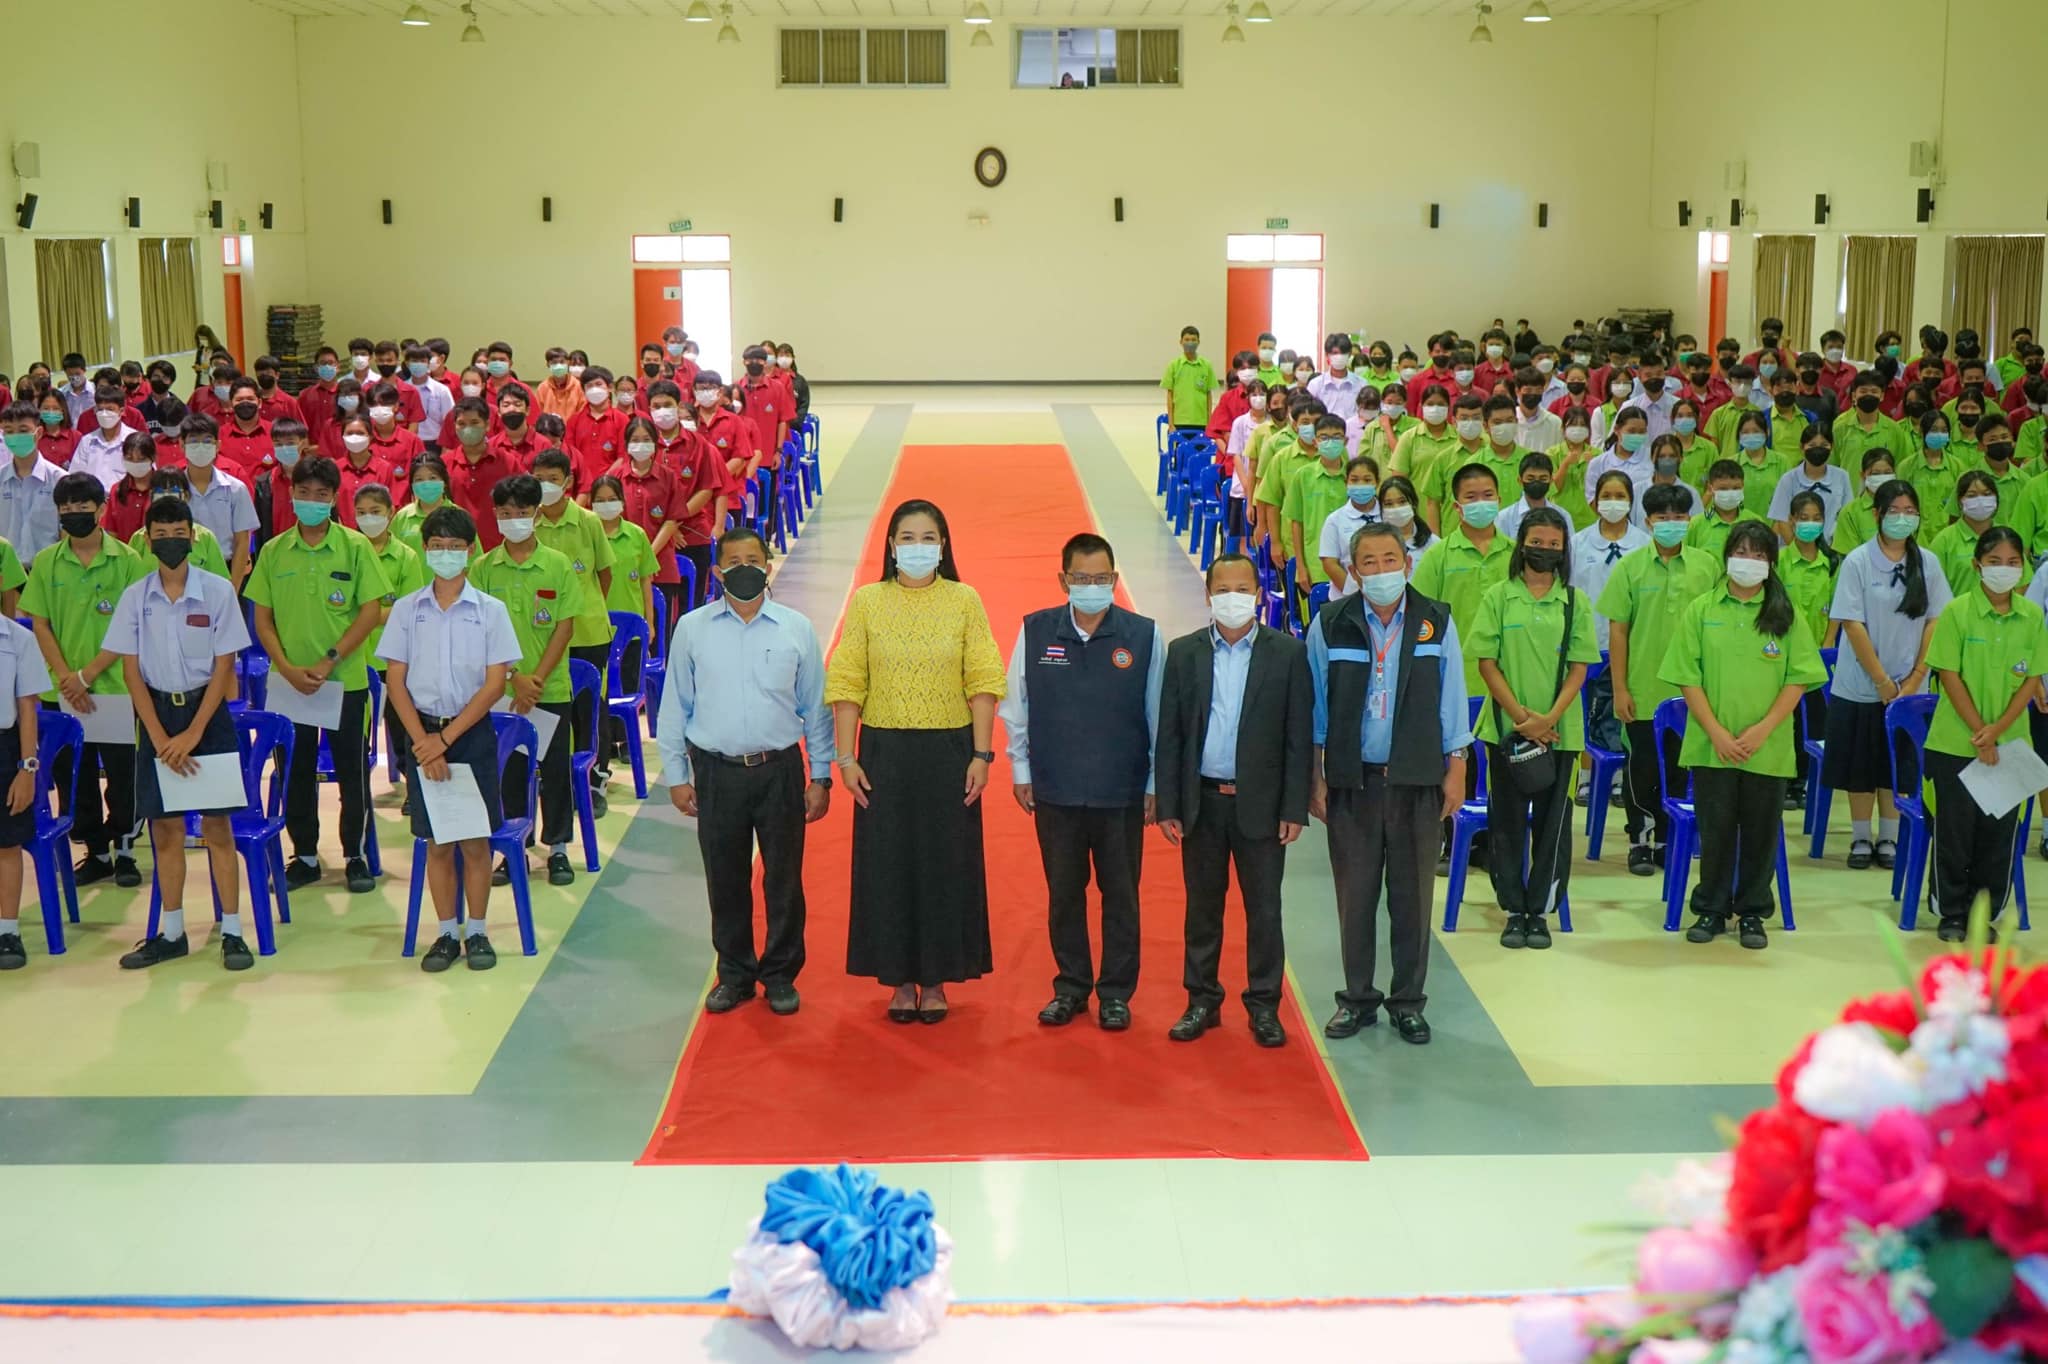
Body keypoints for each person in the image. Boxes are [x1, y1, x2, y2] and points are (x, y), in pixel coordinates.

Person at [827, 500, 1005, 1024]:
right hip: (884, 754)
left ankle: (936, 979)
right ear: (891, 546)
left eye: (929, 538)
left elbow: (984, 677)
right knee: (889, 865)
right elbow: (847, 680)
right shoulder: (867, 602)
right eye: (908, 538)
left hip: (949, 753)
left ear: (943, 546)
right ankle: (900, 980)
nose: (918, 547)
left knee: (945, 865)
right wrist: (846, 757)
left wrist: (981, 754)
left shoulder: (964, 600)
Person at [656, 525, 834, 1012]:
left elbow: (816, 708)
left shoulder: (796, 628)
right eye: (733, 563)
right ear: (717, 572)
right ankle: (734, 974)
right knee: (725, 877)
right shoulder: (692, 628)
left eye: (753, 561)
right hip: (717, 772)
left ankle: (780, 973)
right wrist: (677, 776)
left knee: (784, 879)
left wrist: (820, 774)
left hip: (780, 770)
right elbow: (674, 705)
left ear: (768, 566)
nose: (745, 570)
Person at [1309, 522, 1472, 1046]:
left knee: (1412, 900)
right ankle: (1357, 999)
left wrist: (1457, 765)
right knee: (1354, 898)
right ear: (1354, 572)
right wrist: (1316, 772)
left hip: (1417, 780)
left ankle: (1408, 1001)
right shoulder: (1331, 623)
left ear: (1407, 563)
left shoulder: (1435, 621)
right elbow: (1316, 703)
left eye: (1389, 560)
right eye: (1369, 563)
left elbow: (1452, 697)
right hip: (1352, 782)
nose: (1381, 571)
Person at [999, 533, 1164, 1032]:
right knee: (1064, 893)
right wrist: (1021, 770)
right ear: (1063, 580)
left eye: (1101, 578)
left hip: (1121, 791)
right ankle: (1070, 986)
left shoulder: (1143, 635)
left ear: (1114, 579)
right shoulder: (1035, 631)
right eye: (1082, 578)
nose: (1092, 586)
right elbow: (1016, 706)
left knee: (1121, 895)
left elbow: (1158, 713)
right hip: (1056, 789)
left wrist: (1154, 782)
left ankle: (1115, 993)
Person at [1154, 553, 1309, 1047]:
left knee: (1264, 911)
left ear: (1258, 595)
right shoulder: (1185, 653)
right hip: (1202, 802)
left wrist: (1294, 807)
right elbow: (1170, 734)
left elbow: (1298, 738)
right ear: (1208, 595)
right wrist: (1169, 803)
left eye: (1243, 589)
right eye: (1223, 590)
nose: (1233, 598)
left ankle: (1264, 1005)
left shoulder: (1287, 654)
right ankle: (1201, 1000)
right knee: (1202, 909)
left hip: (1261, 805)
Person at [105, 497, 253, 971]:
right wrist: (158, 734)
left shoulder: (218, 591)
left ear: (193, 536)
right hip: (156, 719)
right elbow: (130, 671)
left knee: (217, 828)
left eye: (178, 533)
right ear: (147, 540)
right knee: (165, 831)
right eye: (161, 535)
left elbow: (224, 666)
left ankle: (233, 931)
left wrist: (192, 733)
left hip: (206, 717)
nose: (170, 541)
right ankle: (171, 933)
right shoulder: (136, 597)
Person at [1661, 521, 1825, 949]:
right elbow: (1687, 676)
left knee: (1760, 832)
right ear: (1727, 557)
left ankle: (1753, 912)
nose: (1748, 561)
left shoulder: (1786, 615)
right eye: (1741, 552)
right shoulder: (1702, 609)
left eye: (1759, 554)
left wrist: (1762, 730)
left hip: (1767, 748)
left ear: (1771, 563)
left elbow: (1799, 679)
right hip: (1711, 745)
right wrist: (1716, 732)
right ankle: (1711, 909)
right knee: (1714, 831)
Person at [378, 504, 524, 972]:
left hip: (470, 734)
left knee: (475, 841)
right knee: (438, 842)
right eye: (437, 546)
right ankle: (445, 933)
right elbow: (395, 681)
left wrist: (445, 740)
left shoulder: (490, 611)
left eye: (454, 546)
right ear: (425, 550)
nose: (445, 554)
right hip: (421, 733)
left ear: (470, 551)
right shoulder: (407, 610)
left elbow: (495, 684)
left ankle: (477, 931)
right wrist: (424, 742)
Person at [246, 455, 391, 894]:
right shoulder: (274, 551)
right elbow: (262, 619)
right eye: (304, 492)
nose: (312, 500)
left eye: (321, 494)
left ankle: (355, 856)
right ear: (292, 495)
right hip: (289, 685)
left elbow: (370, 612)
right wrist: (287, 667)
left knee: (352, 773)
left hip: (344, 682)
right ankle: (305, 856)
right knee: (295, 772)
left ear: (333, 499)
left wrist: (329, 660)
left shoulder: (355, 547)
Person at [1470, 507, 1598, 949]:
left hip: (1561, 734)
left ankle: (1540, 911)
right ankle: (1513, 910)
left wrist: (1548, 719)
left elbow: (1579, 668)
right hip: (1506, 732)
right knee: (1505, 823)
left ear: (1564, 551)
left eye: (1554, 544)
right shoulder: (1498, 597)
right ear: (1521, 545)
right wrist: (1524, 720)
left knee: (1553, 826)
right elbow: (1487, 663)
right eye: (1537, 542)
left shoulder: (1575, 602)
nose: (1544, 550)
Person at [25, 471, 150, 887]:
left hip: (117, 688)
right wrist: (67, 677)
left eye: (82, 505)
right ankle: (95, 852)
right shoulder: (47, 562)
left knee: (123, 775)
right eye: (66, 507)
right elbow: (40, 624)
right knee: (73, 777)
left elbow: (132, 625)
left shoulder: (127, 561)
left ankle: (125, 850)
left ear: (101, 508)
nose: (74, 513)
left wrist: (88, 674)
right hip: (61, 692)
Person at [1921, 526, 2041, 943]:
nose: (2003, 570)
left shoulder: (2032, 616)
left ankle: (1983, 913)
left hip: (2010, 746)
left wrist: (1998, 731)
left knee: (1998, 835)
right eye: (1994, 562)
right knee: (1954, 832)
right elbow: (1948, 675)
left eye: (2013, 562)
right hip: (1956, 743)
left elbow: (2031, 679)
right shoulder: (1957, 612)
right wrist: (1980, 731)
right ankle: (1951, 912)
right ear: (1977, 565)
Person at [1596, 482, 1719, 875]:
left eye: (1679, 516)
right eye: (1662, 517)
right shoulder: (1630, 567)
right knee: (1643, 767)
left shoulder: (1707, 566)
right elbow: (1618, 631)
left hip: (1692, 691)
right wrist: (1620, 688)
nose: (1671, 523)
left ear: (1690, 520)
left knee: (1682, 766)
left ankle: (1670, 838)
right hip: (1643, 688)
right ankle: (1640, 839)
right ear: (1648, 522)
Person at [1825, 479, 1948, 871]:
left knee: (1897, 765)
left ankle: (1889, 839)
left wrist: (1913, 679)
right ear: (1877, 514)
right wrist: (1881, 681)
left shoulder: (1928, 562)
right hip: (1862, 684)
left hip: (1910, 684)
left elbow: (1935, 621)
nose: (1902, 518)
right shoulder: (1858, 561)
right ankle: (1861, 836)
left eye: (1910, 511)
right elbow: (1852, 623)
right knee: (1861, 764)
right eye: (1894, 511)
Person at [470, 474, 582, 887]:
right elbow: (479, 631)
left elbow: (565, 627)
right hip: (501, 692)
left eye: (521, 512)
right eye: (505, 513)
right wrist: (514, 677)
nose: (513, 519)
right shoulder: (484, 569)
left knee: (555, 770)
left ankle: (558, 847)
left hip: (550, 689)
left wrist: (535, 679)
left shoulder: (557, 565)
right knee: (511, 771)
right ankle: (513, 846)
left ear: (536, 514)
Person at [529, 448, 616, 804]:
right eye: (539, 479)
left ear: (567, 482)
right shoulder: (528, 522)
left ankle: (595, 778)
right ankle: (553, 777)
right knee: (550, 706)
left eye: (553, 479)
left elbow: (605, 575)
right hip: (543, 637)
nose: (546, 486)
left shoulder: (588, 522)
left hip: (588, 632)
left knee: (589, 707)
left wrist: (585, 609)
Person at [1780, 488, 1843, 811]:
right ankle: (1786, 781)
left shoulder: (1832, 563)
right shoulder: (1778, 560)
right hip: (1783, 657)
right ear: (1791, 521)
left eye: (1816, 518)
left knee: (1815, 722)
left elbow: (1837, 608)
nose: (1810, 524)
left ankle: (1804, 782)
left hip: (1818, 655)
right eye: (1803, 518)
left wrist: (1829, 641)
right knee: (1786, 720)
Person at [0, 595, 45, 970]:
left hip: (6, 748)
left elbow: (28, 708)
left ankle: (7, 931)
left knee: (6, 844)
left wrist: (27, 769)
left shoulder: (18, 639)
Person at [1770, 423, 1854, 542]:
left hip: (1832, 547)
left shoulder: (1842, 476)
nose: (1818, 450)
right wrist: (1798, 549)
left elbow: (1847, 516)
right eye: (1812, 445)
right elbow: (1782, 521)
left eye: (1824, 445)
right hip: (1795, 547)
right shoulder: (1788, 479)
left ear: (1832, 447)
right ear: (1802, 447)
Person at [1934, 470, 2010, 594]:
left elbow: (2022, 583)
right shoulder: (1943, 541)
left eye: (1987, 494)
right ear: (1960, 501)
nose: (1980, 501)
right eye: (1971, 495)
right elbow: (1932, 588)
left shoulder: (2007, 537)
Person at [1162, 325, 1216, 436]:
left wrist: (1209, 422)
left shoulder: (1206, 365)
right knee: (1180, 448)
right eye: (1186, 340)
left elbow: (1208, 395)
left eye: (1193, 340)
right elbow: (1169, 396)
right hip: (1179, 421)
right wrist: (1171, 424)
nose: (1190, 343)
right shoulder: (1174, 365)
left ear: (1198, 342)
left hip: (1201, 422)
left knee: (1200, 447)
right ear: (1181, 342)